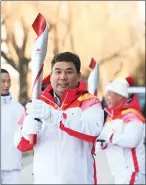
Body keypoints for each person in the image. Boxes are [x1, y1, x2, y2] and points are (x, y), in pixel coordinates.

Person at [14, 51, 104, 184]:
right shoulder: (37, 104)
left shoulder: (90, 102)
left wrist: (53, 116)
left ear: (78, 76)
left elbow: (92, 131)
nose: (63, 77)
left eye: (69, 72)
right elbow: (20, 146)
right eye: (58, 71)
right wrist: (27, 132)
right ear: (51, 76)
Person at [96, 77, 145, 184]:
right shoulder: (111, 117)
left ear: (120, 95)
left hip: (133, 172)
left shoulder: (132, 115)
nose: (107, 97)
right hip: (119, 172)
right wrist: (102, 143)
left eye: (110, 94)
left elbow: (131, 141)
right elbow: (107, 139)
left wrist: (108, 135)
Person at [1, 69, 24, 184]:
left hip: (12, 167)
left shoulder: (17, 108)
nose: (6, 85)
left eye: (8, 81)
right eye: (2, 81)